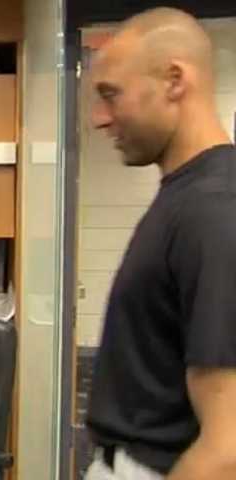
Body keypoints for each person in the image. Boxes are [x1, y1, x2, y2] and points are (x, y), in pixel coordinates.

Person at [85, 7, 236, 480]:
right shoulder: (184, 196)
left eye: (111, 96)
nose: (99, 119)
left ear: (174, 80)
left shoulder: (213, 209)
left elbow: (227, 446)